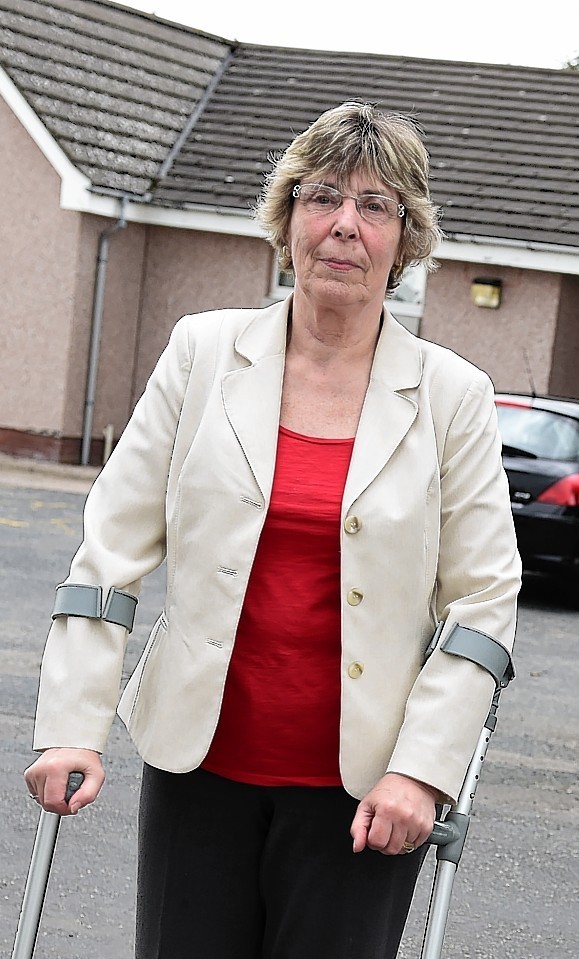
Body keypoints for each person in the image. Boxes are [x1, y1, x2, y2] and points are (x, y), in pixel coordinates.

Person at [23, 100, 521, 959]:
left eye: (375, 206)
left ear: (406, 240)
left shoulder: (452, 395)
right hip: (199, 768)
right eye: (321, 196)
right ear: (287, 216)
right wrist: (72, 722)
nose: (343, 226)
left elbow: (483, 601)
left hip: (366, 794)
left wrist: (422, 770)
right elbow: (109, 550)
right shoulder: (201, 354)